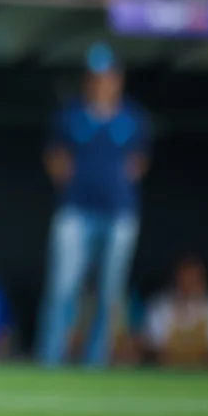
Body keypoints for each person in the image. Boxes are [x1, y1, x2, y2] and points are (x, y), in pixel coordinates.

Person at [39, 43, 150, 367]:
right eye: (93, 77)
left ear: (117, 78)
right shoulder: (70, 115)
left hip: (118, 214)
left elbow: (139, 162)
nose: (98, 83)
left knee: (109, 292)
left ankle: (95, 361)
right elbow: (54, 157)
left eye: (105, 76)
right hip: (75, 211)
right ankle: (50, 359)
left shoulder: (133, 117)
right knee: (62, 288)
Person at [141, 255, 208, 367]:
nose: (189, 283)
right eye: (185, 277)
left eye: (194, 278)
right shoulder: (160, 307)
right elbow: (158, 351)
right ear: (176, 278)